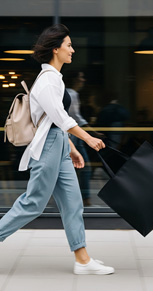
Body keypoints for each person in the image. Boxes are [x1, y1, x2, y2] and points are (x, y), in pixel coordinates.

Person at [0, 24, 114, 276]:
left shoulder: (56, 79)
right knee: (34, 202)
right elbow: (60, 118)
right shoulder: (47, 81)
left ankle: (82, 260)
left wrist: (70, 148)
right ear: (56, 49)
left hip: (58, 144)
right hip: (48, 146)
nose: (73, 49)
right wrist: (87, 138)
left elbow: (52, 121)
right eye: (69, 45)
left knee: (73, 203)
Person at [65, 71, 94, 206]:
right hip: (73, 135)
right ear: (75, 79)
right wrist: (92, 133)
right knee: (84, 167)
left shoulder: (67, 92)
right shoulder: (72, 93)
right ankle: (85, 198)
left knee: (75, 167)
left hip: (71, 135)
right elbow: (75, 117)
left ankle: (78, 198)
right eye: (81, 77)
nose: (83, 80)